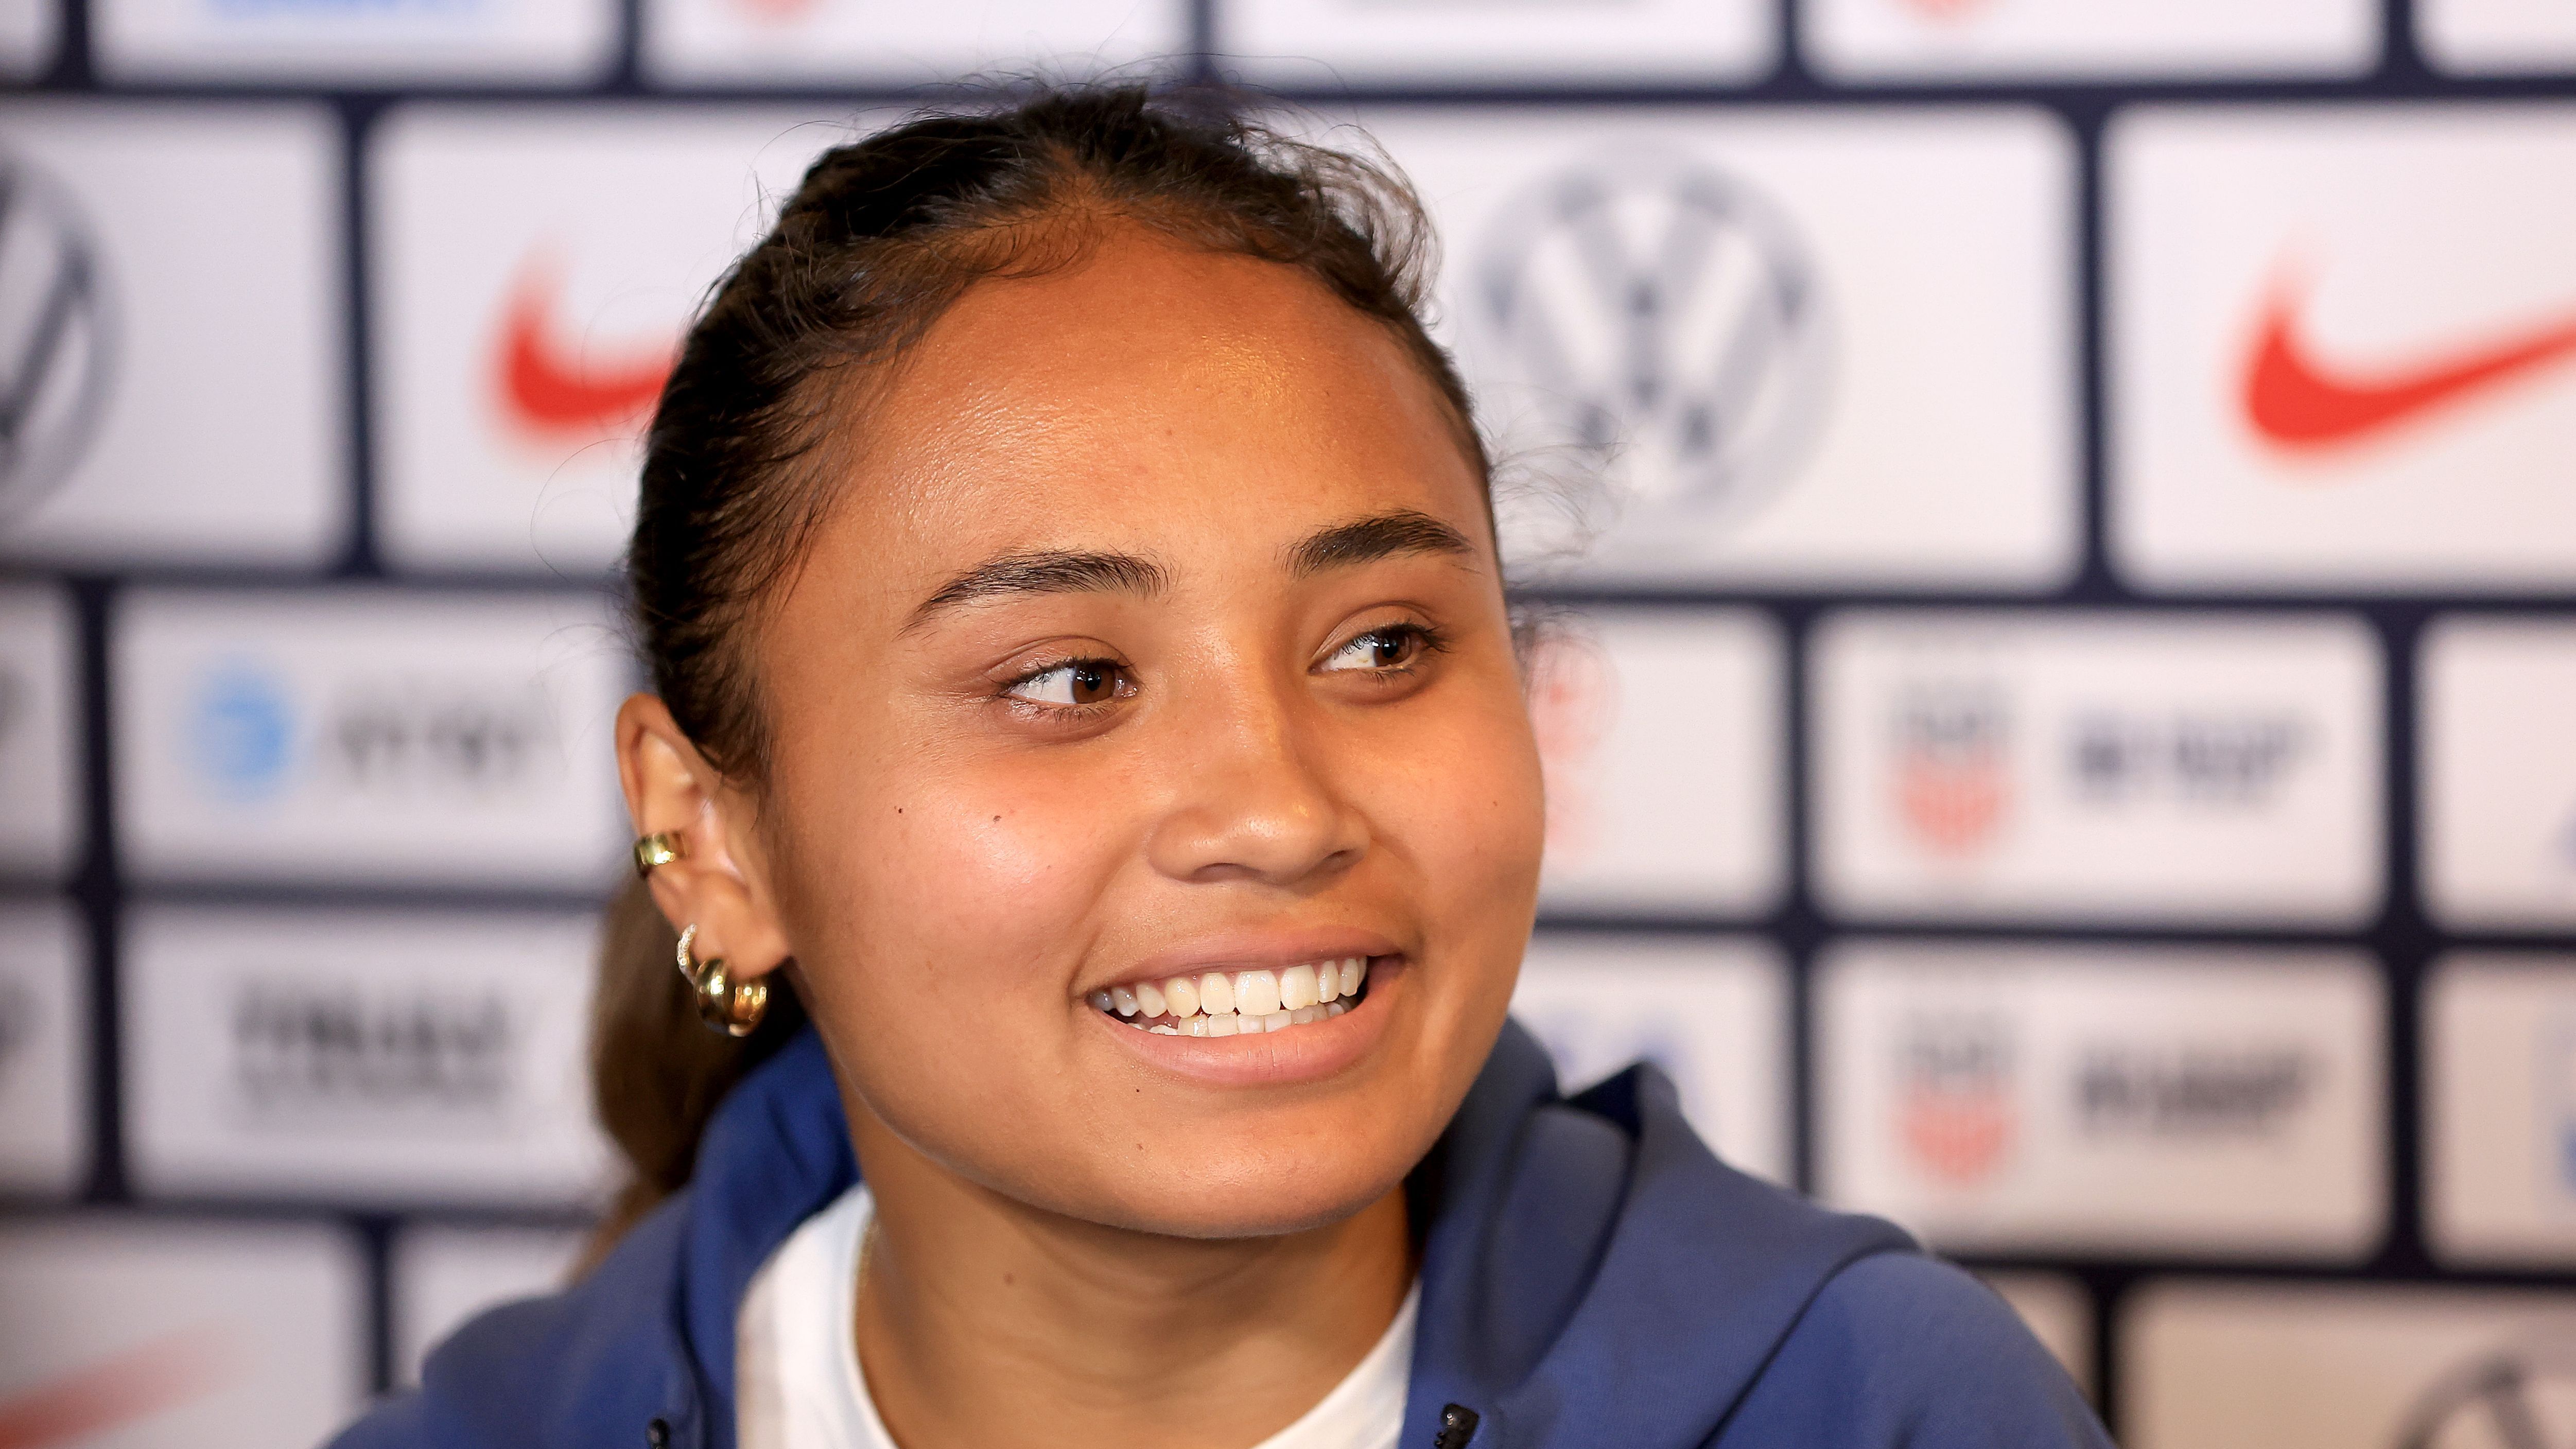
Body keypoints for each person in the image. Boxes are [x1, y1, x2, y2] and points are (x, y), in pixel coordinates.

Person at [330, 85, 2109, 1449]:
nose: (1277, 809)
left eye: (1380, 647)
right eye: (1069, 679)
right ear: (713, 839)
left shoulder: (1875, 1412)